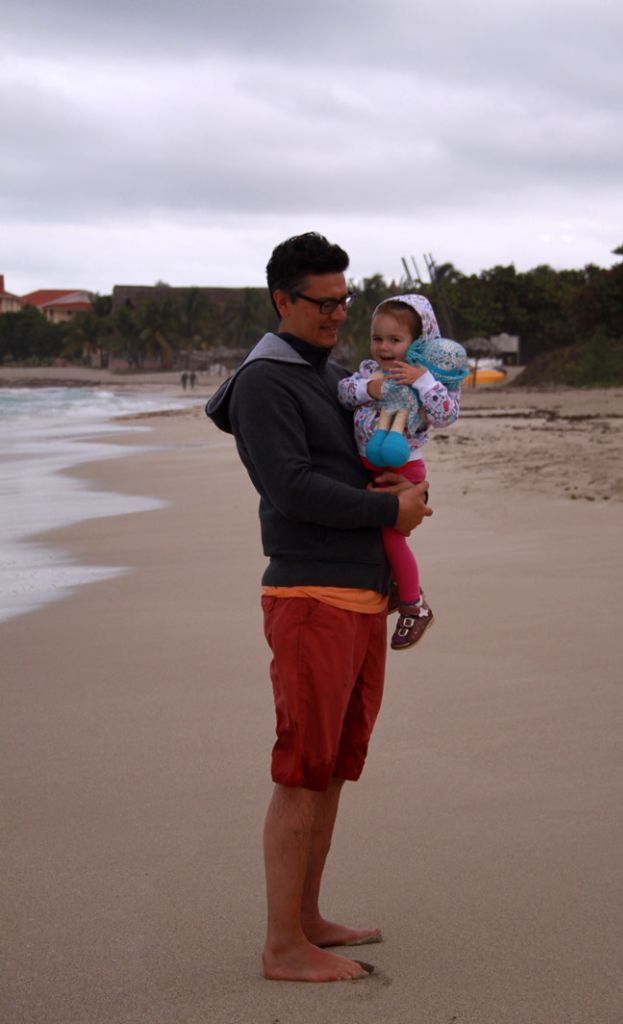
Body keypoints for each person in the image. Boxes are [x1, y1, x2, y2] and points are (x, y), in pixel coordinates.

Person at [206, 232, 432, 982]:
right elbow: (292, 488)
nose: (338, 314)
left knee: (333, 767)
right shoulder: (265, 382)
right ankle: (282, 947)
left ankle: (306, 919)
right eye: (323, 302)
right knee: (303, 770)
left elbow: (356, 462)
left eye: (344, 300)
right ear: (282, 299)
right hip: (309, 595)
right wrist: (388, 512)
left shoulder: (329, 374)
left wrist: (397, 492)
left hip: (360, 594)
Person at [337, 295, 461, 650]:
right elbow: (344, 393)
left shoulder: (429, 378)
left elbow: (447, 414)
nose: (384, 348)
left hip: (404, 467)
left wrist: (422, 381)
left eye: (395, 340)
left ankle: (414, 603)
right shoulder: (369, 371)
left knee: (392, 537)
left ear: (419, 342)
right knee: (374, 532)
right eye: (377, 338)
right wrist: (370, 388)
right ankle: (394, 585)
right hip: (368, 463)